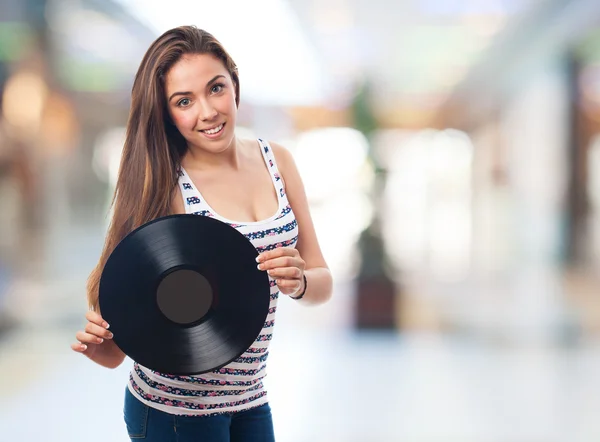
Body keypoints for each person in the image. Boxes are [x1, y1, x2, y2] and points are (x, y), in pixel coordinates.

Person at [71, 25, 333, 441]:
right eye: (184, 101)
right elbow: (117, 350)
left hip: (250, 401)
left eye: (216, 88)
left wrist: (300, 281)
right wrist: (97, 343)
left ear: (234, 84)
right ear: (166, 112)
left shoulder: (276, 160)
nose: (208, 112)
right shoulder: (162, 183)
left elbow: (322, 283)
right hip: (174, 413)